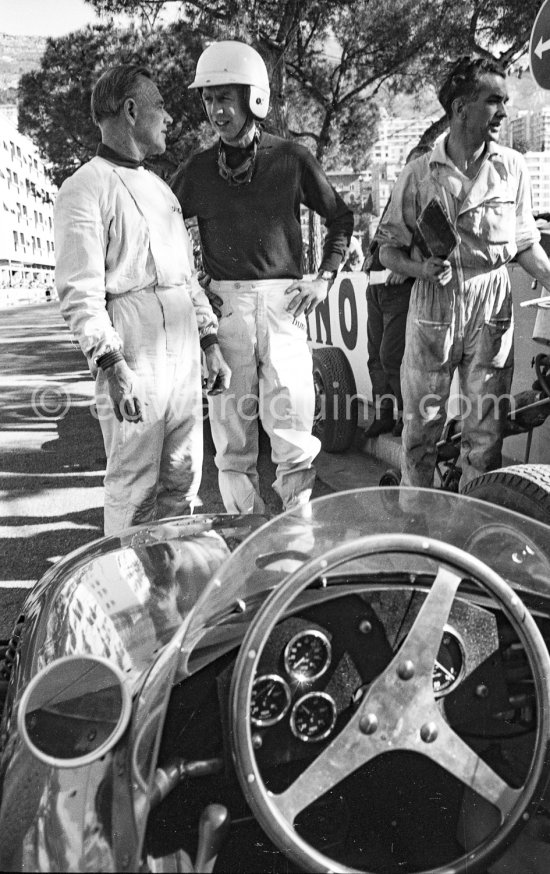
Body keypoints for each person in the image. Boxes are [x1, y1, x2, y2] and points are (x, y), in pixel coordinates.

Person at [171, 41, 353, 514]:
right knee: (232, 440)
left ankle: (297, 538)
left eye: (225, 96)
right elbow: (163, 228)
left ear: (254, 97)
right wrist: (196, 289)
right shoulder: (195, 170)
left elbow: (341, 217)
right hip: (225, 311)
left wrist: (324, 279)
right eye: (208, 99)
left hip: (283, 307)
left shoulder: (292, 159)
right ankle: (245, 543)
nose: (216, 109)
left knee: (293, 430)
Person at [54, 65, 231, 536]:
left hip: (182, 346)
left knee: (183, 477)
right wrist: (111, 363)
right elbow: (80, 291)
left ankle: (168, 594)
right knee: (135, 488)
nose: (170, 117)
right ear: (131, 111)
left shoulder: (162, 191)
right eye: (160, 106)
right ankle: (130, 602)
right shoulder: (85, 187)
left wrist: (209, 340)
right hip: (134, 347)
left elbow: (186, 280)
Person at [377, 56, 550, 490]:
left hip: (492, 304)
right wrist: (419, 267)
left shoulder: (511, 167)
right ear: (460, 108)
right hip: (434, 303)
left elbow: (525, 245)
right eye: (494, 101)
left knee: (486, 433)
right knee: (420, 431)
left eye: (506, 102)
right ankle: (417, 528)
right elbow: (385, 250)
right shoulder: (420, 173)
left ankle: (471, 530)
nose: (504, 113)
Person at [362, 144, 432, 441]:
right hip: (375, 288)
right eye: (408, 167)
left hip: (399, 291)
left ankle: (405, 418)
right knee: (374, 358)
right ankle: (384, 415)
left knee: (391, 356)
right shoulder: (398, 198)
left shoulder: (430, 201)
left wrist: (405, 267)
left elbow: (435, 246)